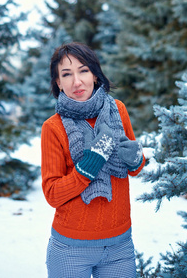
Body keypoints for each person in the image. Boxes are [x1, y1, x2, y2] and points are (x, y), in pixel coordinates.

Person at [41, 42, 145, 278]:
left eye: (83, 70)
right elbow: (52, 193)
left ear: (95, 75)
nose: (76, 82)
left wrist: (136, 158)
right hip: (70, 250)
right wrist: (89, 165)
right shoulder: (53, 127)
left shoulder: (118, 110)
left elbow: (134, 168)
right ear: (58, 83)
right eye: (66, 74)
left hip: (119, 246)